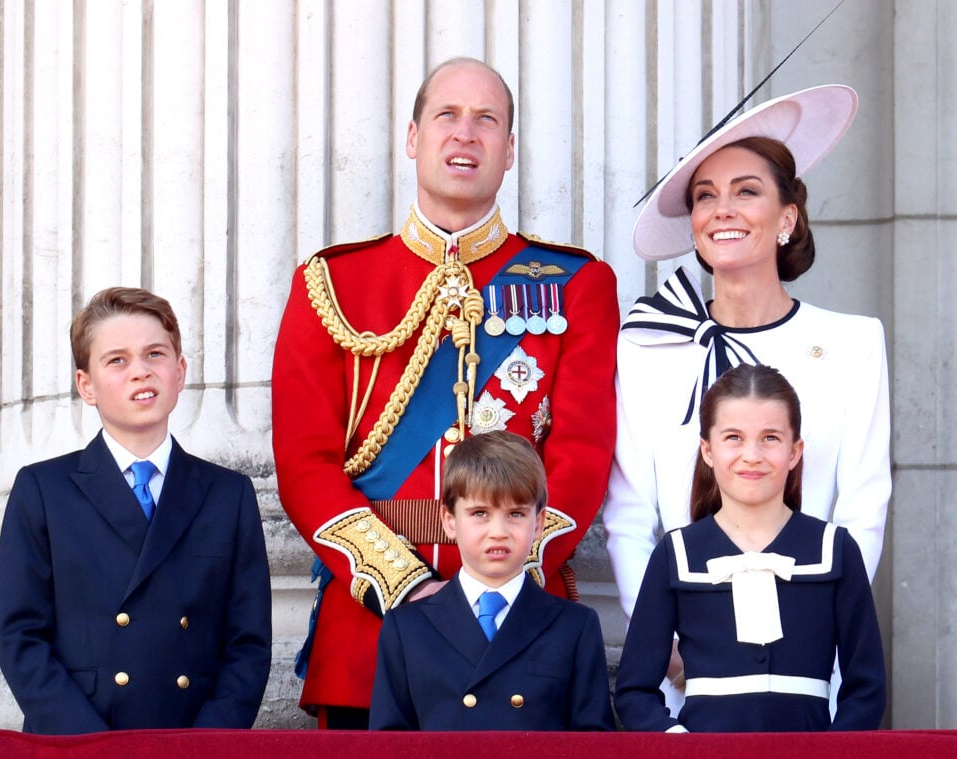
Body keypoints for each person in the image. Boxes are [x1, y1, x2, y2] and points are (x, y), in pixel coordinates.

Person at [272, 57, 619, 728]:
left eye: (487, 120)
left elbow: (581, 455)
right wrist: (402, 585)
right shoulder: (331, 283)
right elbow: (303, 463)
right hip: (371, 631)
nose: (467, 134)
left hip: (522, 631)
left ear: (510, 149)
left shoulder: (577, 284)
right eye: (447, 116)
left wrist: (504, 581)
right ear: (412, 137)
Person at [603, 85, 891, 700]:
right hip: (690, 666)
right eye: (706, 197)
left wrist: (819, 633)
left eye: (747, 191)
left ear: (787, 217)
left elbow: (862, 510)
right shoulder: (647, 345)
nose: (722, 210)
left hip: (815, 664)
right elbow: (628, 515)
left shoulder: (853, 343)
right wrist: (664, 638)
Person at [0, 287, 272, 734]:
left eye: (155, 354)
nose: (141, 372)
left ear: (179, 372)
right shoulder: (43, 490)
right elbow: (21, 639)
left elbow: (248, 645)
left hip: (193, 742)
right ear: (87, 385)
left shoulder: (228, 494)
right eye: (117, 360)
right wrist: (89, 745)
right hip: (78, 742)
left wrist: (206, 745)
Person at [614, 363, 886, 732]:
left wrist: (830, 752)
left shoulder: (835, 549)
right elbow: (634, 691)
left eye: (770, 438)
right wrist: (680, 745)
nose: (752, 455)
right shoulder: (675, 553)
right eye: (734, 438)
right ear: (707, 451)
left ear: (794, 451)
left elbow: (866, 689)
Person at [369, 431, 615, 731]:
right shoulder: (406, 627)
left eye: (515, 514)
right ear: (449, 521)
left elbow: (593, 742)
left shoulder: (574, 626)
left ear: (538, 523)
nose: (498, 531)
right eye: (480, 513)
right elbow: (388, 744)